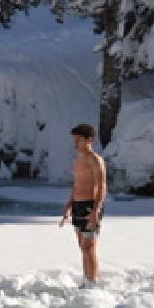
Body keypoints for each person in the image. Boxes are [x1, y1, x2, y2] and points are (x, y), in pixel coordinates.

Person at [60, 123, 107, 289]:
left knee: (89, 246)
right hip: (78, 205)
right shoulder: (78, 160)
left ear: (89, 139)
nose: (75, 144)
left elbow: (102, 186)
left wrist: (96, 211)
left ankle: (92, 284)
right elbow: (77, 184)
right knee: (82, 245)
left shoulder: (96, 160)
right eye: (74, 140)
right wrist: (68, 206)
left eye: (78, 140)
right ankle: (87, 280)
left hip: (90, 205)